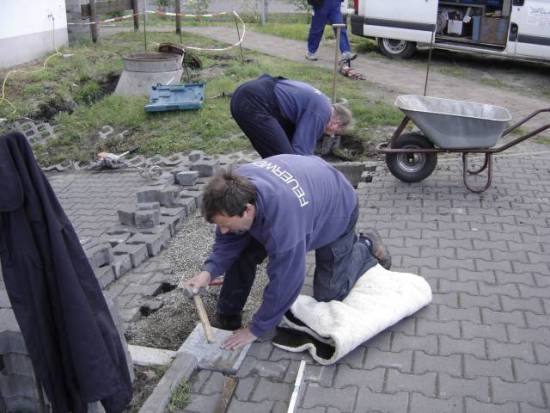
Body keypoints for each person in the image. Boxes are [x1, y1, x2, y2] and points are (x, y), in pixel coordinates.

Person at [183, 154, 391, 350]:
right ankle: (228, 314)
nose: (223, 231)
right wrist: (208, 272)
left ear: (247, 210)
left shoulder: (283, 223)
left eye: (226, 224)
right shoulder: (232, 189)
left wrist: (257, 329)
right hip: (312, 187)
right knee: (241, 248)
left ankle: (365, 245)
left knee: (330, 293)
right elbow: (227, 242)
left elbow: (286, 281)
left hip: (337, 208)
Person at [230, 74, 352, 158]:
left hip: (250, 95)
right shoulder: (322, 113)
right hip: (254, 102)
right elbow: (301, 151)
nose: (332, 134)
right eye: (336, 132)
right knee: (287, 160)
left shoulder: (321, 101)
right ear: (336, 122)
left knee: (281, 154)